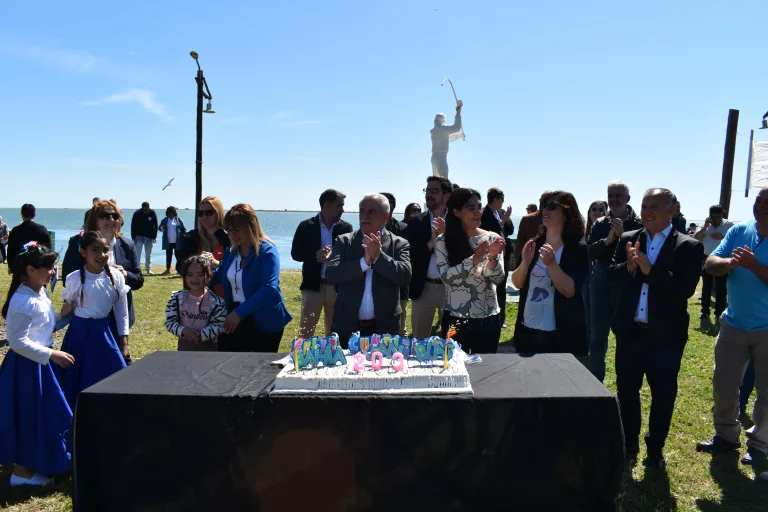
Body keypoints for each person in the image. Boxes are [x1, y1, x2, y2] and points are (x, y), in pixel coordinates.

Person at [610, 188, 703, 469]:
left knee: (663, 393)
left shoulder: (688, 246)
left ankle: (655, 448)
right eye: (644, 206)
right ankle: (629, 445)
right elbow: (611, 277)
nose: (647, 212)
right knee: (627, 391)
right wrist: (628, 266)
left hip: (665, 336)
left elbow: (684, 290)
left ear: (672, 209)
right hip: (630, 331)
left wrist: (651, 270)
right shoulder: (629, 238)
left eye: (654, 206)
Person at [696, 187, 768, 478]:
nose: (761, 207)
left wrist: (753, 265)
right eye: (759, 201)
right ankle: (726, 435)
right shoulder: (739, 230)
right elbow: (711, 263)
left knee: (767, 392)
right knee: (723, 383)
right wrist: (731, 263)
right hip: (734, 324)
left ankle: (760, 445)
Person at [0, 243, 74, 487]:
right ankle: (21, 472)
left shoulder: (39, 293)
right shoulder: (22, 301)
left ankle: (37, 464)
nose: (53, 271)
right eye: (49, 267)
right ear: (30, 270)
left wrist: (69, 314)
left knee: (42, 415)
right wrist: (51, 353)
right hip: (26, 368)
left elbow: (45, 326)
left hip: (39, 364)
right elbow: (17, 341)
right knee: (28, 416)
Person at [326, 193, 411, 348]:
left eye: (372, 211)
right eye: (362, 211)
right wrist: (363, 262)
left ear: (386, 216)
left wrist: (379, 257)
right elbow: (331, 274)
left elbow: (405, 276)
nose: (365, 215)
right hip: (347, 327)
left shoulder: (399, 244)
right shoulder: (344, 241)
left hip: (385, 329)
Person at [62, 199, 143, 361]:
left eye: (115, 216)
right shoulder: (78, 243)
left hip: (119, 314)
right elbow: (68, 278)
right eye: (105, 216)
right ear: (94, 220)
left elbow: (139, 280)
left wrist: (125, 274)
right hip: (87, 317)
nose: (111, 220)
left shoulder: (127, 244)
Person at [58, 231, 130, 410]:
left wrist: (124, 341)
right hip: (79, 334)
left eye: (105, 250)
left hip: (103, 333)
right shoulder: (74, 278)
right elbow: (66, 310)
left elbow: (122, 313)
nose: (102, 255)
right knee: (78, 377)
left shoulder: (115, 276)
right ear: (84, 252)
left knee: (111, 373)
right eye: (95, 250)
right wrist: (68, 305)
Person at [512, 191, 589, 357]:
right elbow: (517, 283)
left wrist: (552, 264)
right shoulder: (534, 244)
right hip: (528, 331)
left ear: (567, 213)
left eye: (552, 206)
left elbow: (570, 290)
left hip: (560, 335)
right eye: (543, 206)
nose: (545, 211)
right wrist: (525, 262)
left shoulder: (578, 248)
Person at [586, 180, 643, 383]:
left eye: (618, 196)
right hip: (601, 281)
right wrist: (608, 240)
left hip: (626, 283)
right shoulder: (600, 224)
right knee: (597, 338)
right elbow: (589, 253)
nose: (614, 200)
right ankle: (595, 385)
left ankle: (625, 385)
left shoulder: (639, 224)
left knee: (625, 337)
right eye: (611, 196)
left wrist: (623, 237)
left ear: (628, 198)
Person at [436, 188, 506, 353]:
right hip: (456, 318)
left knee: (486, 372)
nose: (477, 212)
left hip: (488, 319)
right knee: (454, 371)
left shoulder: (492, 238)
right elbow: (447, 277)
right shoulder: (444, 241)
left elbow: (497, 278)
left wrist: (493, 257)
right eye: (471, 208)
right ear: (457, 212)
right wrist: (474, 259)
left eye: (479, 207)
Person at [215, 204, 292, 352]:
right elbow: (222, 275)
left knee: (260, 370)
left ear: (251, 227)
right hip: (236, 317)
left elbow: (270, 288)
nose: (232, 235)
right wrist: (199, 275)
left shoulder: (268, 251)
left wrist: (239, 313)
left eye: (237, 230)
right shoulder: (231, 251)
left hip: (265, 319)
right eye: (229, 230)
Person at [291, 190, 353, 338]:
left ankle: (333, 361)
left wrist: (334, 256)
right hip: (313, 287)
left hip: (337, 288)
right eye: (340, 206)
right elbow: (295, 254)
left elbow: (351, 257)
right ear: (327, 205)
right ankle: (302, 359)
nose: (343, 210)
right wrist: (314, 255)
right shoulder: (306, 226)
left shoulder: (346, 228)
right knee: (306, 332)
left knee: (335, 334)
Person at [406, 176, 452, 339]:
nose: (429, 195)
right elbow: (410, 254)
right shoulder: (415, 221)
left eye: (434, 191)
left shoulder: (457, 221)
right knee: (419, 339)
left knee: (452, 340)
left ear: (446, 196)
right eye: (427, 190)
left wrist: (446, 236)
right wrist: (432, 242)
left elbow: (462, 253)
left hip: (451, 288)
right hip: (423, 287)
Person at [165, 255, 227, 351]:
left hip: (209, 349)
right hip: (184, 348)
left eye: (200, 274)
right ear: (184, 277)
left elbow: (220, 325)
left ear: (208, 276)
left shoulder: (218, 302)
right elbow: (170, 322)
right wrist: (183, 330)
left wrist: (201, 335)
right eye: (190, 274)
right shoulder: (175, 299)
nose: (195, 279)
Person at [693, 205, 734, 322]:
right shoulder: (706, 225)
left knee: (721, 288)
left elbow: (736, 240)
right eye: (714, 217)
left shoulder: (729, 225)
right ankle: (705, 312)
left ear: (722, 216)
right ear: (710, 216)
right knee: (707, 286)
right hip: (707, 258)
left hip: (722, 259)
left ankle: (719, 313)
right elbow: (695, 239)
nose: (716, 219)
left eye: (719, 217)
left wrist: (723, 237)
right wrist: (705, 227)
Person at [480, 187, 514, 327]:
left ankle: (502, 317)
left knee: (501, 285)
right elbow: (487, 231)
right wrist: (502, 220)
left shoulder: (500, 212)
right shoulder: (483, 213)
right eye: (501, 198)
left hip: (504, 253)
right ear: (494, 199)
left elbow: (510, 230)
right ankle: (488, 314)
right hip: (490, 254)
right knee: (488, 284)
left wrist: (506, 220)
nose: (503, 201)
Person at [176, 196, 230, 282]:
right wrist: (197, 263)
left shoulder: (229, 238)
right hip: (199, 292)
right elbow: (180, 267)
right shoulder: (191, 238)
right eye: (201, 213)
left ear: (218, 213)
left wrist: (217, 264)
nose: (204, 216)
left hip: (225, 292)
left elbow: (237, 268)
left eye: (209, 212)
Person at [381, 192, 410, 335]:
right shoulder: (367, 230)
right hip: (378, 284)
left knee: (400, 325)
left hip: (399, 285)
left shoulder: (404, 228)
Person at [583, 200, 608, 348]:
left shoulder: (608, 230)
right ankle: (586, 343)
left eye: (601, 209)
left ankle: (597, 347)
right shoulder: (583, 231)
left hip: (601, 275)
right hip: (586, 275)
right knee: (586, 312)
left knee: (599, 315)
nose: (597, 212)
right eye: (594, 209)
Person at [6, 204, 51, 275]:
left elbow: (11, 250)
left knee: (18, 285)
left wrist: (10, 266)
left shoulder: (16, 230)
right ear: (34, 214)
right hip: (38, 267)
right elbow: (48, 250)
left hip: (20, 267)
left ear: (22, 214)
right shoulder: (42, 229)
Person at [514, 193, 549, 270]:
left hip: (549, 262)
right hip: (529, 262)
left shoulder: (556, 219)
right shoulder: (527, 219)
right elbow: (520, 243)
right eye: (545, 201)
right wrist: (518, 265)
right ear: (540, 201)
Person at [430, 102, 463, 178]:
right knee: (444, 180)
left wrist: (458, 136)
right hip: (441, 156)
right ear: (442, 121)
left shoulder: (436, 130)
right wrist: (458, 112)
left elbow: (448, 138)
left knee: (437, 179)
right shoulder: (442, 129)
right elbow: (456, 128)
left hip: (435, 156)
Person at [131, 201, 159, 275]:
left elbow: (155, 224)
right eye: (144, 209)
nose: (145, 211)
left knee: (148, 254)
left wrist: (155, 236)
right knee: (137, 254)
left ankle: (148, 270)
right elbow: (133, 225)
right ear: (141, 208)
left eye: (146, 209)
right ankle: (137, 269)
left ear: (149, 208)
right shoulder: (137, 213)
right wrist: (133, 236)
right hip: (138, 236)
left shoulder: (152, 213)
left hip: (149, 237)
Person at [159, 206, 186, 275]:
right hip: (168, 241)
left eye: (171, 212)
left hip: (177, 241)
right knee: (168, 255)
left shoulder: (178, 220)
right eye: (168, 212)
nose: (170, 214)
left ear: (174, 213)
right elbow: (160, 228)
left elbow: (184, 229)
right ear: (167, 213)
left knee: (178, 256)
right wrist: (162, 227)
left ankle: (179, 270)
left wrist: (183, 237)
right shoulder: (164, 220)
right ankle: (168, 269)